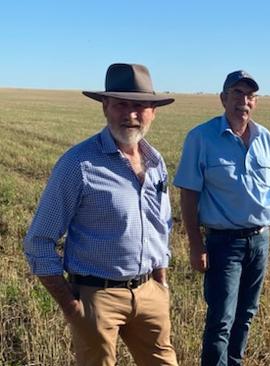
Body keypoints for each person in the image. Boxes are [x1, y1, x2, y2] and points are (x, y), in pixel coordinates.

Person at [23, 63, 178, 366]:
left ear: (153, 111)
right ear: (105, 107)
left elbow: (162, 226)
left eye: (139, 106)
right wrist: (70, 305)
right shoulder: (78, 164)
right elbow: (38, 241)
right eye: (121, 104)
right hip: (97, 297)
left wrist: (161, 284)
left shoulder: (156, 162)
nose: (130, 114)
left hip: (150, 293)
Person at [174, 70, 270, 366]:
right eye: (237, 93)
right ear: (223, 98)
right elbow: (188, 194)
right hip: (223, 244)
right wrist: (196, 245)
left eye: (250, 96)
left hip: (260, 240)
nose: (244, 101)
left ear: (256, 102)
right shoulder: (201, 137)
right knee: (221, 319)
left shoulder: (265, 138)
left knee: (246, 315)